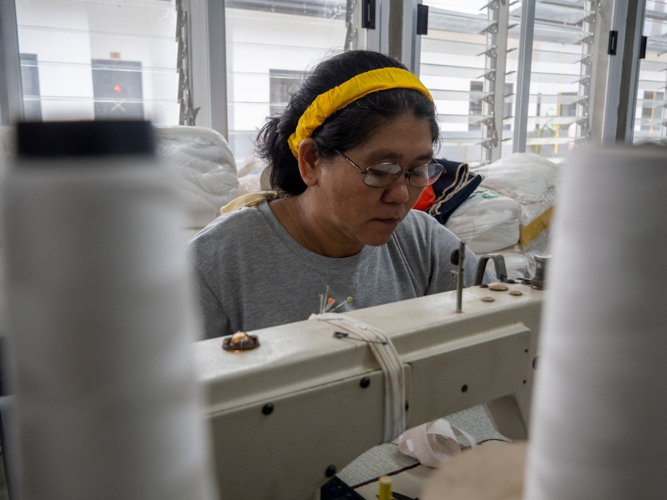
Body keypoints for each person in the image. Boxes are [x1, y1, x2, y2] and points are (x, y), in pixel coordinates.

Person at [187, 50, 488, 339]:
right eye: (381, 170)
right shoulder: (215, 265)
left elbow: (503, 323)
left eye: (418, 169)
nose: (400, 195)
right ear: (311, 161)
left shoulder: (424, 245)